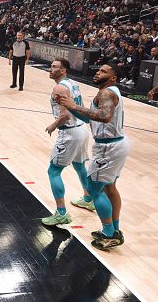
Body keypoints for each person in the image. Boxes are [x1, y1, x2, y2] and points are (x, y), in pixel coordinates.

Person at [58, 63, 130, 251]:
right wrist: (71, 107)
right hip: (118, 143)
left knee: (94, 189)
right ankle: (115, 229)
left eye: (104, 71)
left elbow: (105, 116)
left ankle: (108, 234)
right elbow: (91, 118)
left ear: (113, 77)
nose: (98, 72)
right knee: (110, 188)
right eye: (98, 69)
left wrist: (74, 105)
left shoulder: (106, 93)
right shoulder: (109, 92)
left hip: (108, 147)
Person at [41, 59, 93, 228]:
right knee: (79, 165)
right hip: (82, 130)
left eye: (54, 67)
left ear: (63, 71)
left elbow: (65, 115)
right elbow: (82, 107)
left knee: (54, 171)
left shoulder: (59, 87)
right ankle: (88, 199)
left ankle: (61, 214)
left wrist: (53, 125)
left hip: (69, 132)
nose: (50, 69)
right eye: (51, 66)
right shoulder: (73, 84)